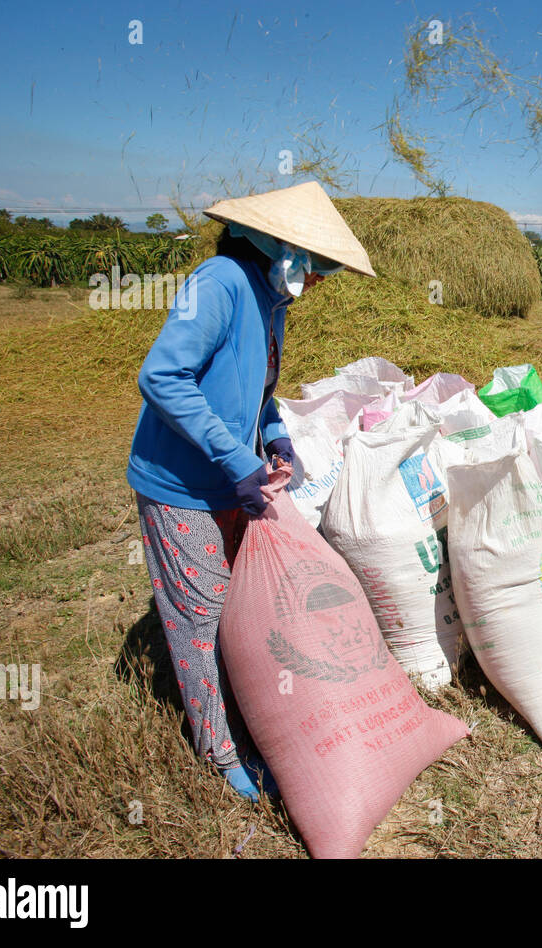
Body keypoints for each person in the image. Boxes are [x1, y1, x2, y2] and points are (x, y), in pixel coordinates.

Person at [127, 181, 375, 800]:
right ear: (279, 248)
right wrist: (235, 458)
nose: (320, 279)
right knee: (201, 619)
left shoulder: (272, 303)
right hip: (180, 484)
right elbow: (162, 377)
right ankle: (221, 751)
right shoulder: (220, 282)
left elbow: (255, 391)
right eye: (316, 264)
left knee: (242, 607)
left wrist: (273, 437)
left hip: (229, 480)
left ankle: (259, 712)